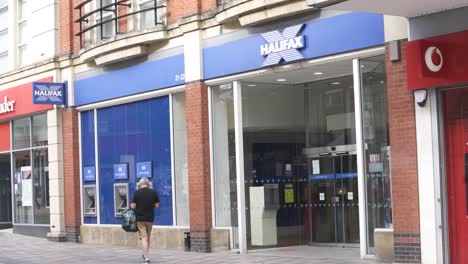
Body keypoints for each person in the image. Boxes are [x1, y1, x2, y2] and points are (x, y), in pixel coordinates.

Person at [130, 177, 159, 264]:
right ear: (148, 184)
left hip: (140, 219)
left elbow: (133, 206)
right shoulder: (153, 192)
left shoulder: (136, 192)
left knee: (143, 237)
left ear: (140, 184)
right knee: (148, 237)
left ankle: (146, 258)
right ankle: (145, 254)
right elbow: (157, 205)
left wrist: (134, 206)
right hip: (150, 218)